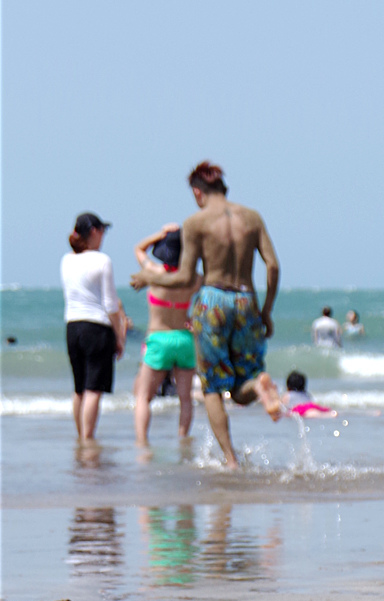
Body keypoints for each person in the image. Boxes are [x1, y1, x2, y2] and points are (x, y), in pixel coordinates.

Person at [130, 162, 282, 469]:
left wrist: (150, 279)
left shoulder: (196, 222)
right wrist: (265, 310)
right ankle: (259, 385)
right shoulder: (252, 217)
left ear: (198, 192)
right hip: (245, 299)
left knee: (212, 387)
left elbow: (185, 277)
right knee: (244, 385)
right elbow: (273, 266)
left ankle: (230, 460)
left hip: (212, 301)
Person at [132, 224, 202, 446]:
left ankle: (142, 443)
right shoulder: (192, 279)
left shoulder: (153, 273)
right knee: (185, 398)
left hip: (158, 338)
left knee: (144, 397)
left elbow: (138, 249)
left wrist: (160, 234)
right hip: (184, 338)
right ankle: (183, 441)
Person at [61, 213, 127, 441]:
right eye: (102, 231)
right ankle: (88, 438)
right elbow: (110, 304)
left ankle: (81, 436)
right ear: (94, 232)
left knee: (79, 388)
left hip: (72, 327)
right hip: (97, 327)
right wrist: (120, 335)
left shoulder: (66, 260)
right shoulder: (102, 260)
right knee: (93, 388)